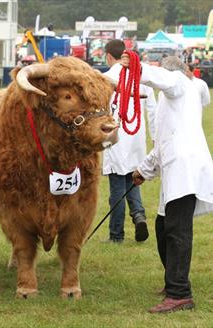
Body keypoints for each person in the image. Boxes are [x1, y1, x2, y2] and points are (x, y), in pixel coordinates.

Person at [128, 55, 213, 313]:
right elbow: (164, 142)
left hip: (184, 169)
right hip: (177, 167)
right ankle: (173, 283)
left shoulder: (177, 83)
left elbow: (163, 78)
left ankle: (180, 294)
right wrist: (143, 170)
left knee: (177, 231)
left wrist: (134, 65)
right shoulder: (179, 96)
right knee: (163, 225)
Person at [102, 39, 156, 243]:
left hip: (116, 138)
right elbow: (153, 111)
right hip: (136, 137)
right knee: (132, 180)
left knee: (117, 188)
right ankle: (139, 216)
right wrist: (155, 139)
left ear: (109, 56)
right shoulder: (142, 77)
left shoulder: (105, 77)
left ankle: (116, 235)